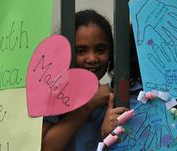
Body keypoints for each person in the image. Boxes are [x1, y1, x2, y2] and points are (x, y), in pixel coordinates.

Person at [41, 9, 129, 151]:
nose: (92, 58)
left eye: (100, 50)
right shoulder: (54, 94)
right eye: (81, 51)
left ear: (112, 52)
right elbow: (46, 147)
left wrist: (108, 135)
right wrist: (89, 104)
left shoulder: (114, 98)